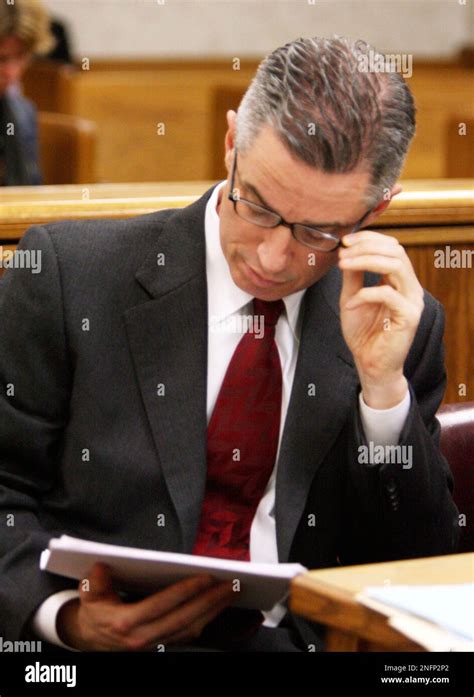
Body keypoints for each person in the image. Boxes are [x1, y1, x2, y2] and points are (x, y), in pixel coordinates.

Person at [0, 36, 459, 652]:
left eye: (318, 231)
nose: (273, 258)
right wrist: (64, 618)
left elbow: (415, 566)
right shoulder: (68, 277)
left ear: (376, 211)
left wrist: (382, 395)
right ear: (230, 143)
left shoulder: (398, 323)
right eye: (258, 206)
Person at [0, 0, 54, 185]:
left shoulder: (23, 113)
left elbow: (31, 196)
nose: (12, 73)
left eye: (21, 57)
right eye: (2, 59)